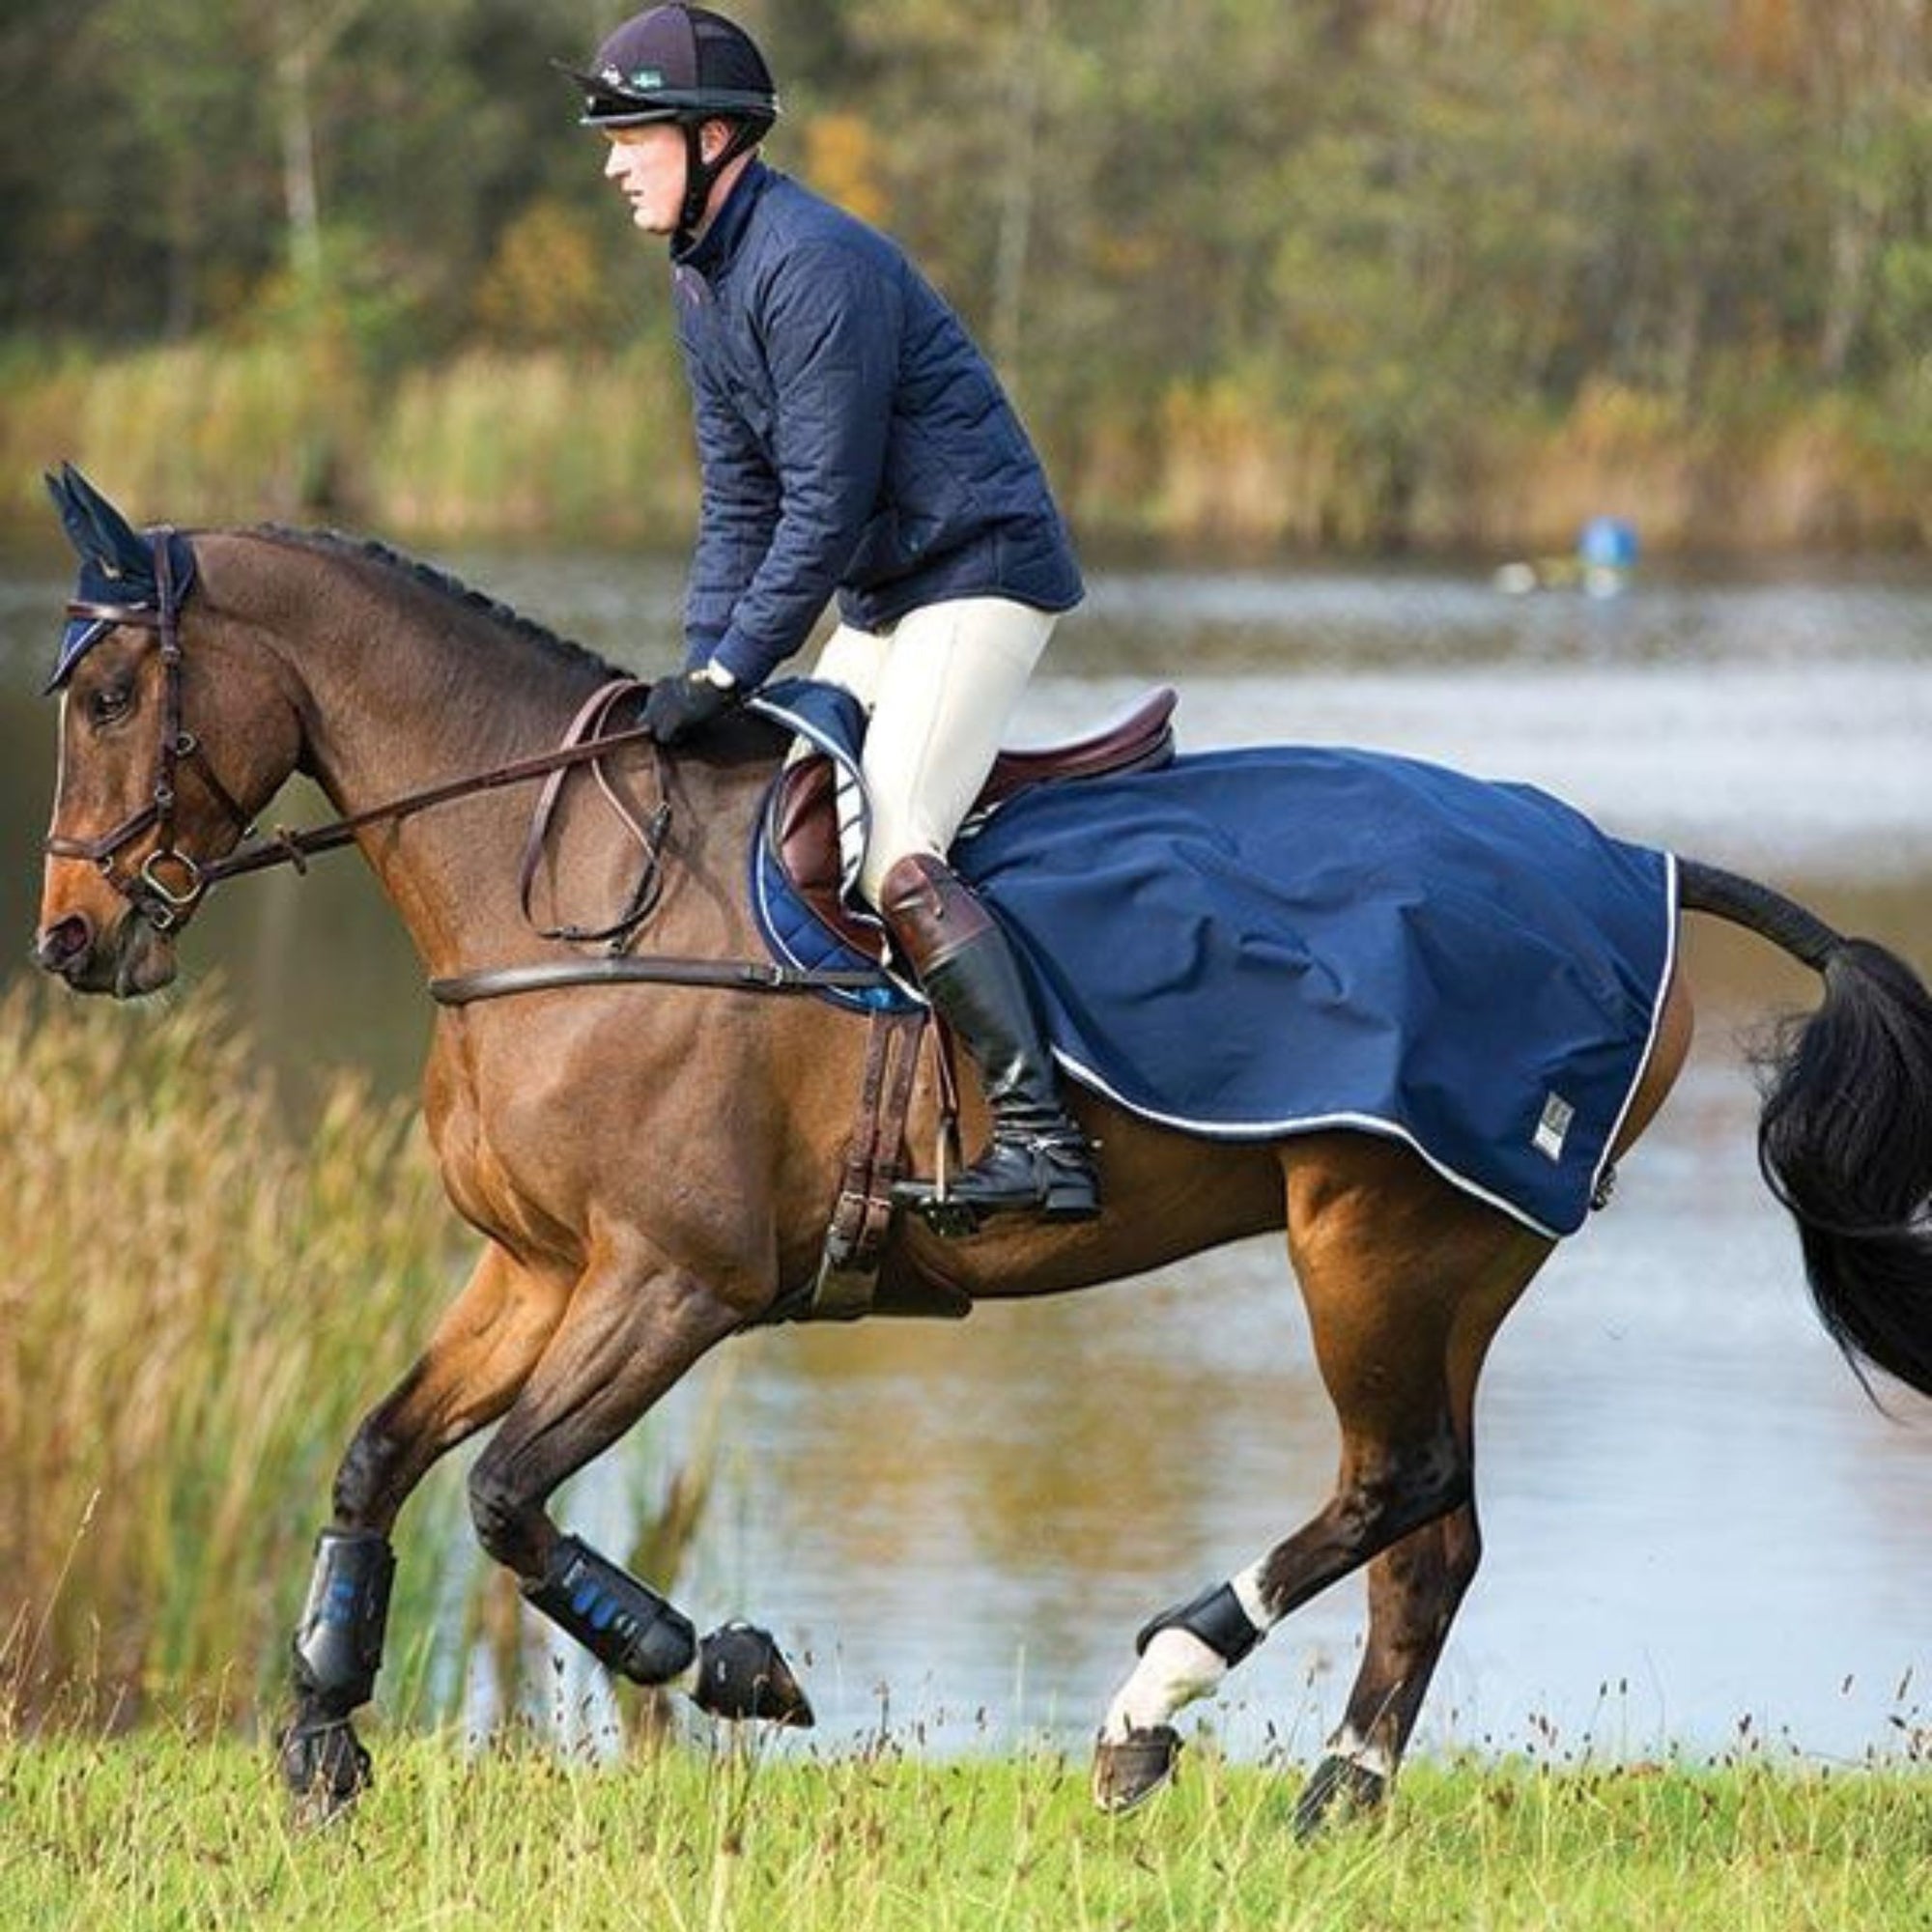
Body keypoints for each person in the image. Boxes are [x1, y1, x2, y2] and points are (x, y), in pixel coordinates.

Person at [560, 3, 1099, 1226]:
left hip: (980, 572)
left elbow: (821, 501)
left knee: (896, 836)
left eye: (629, 134)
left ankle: (1039, 1131)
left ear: (708, 141)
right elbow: (737, 495)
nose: (608, 162)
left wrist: (736, 663)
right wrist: (704, 668)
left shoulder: (811, 265)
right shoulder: (704, 277)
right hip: (890, 590)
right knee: (774, 801)